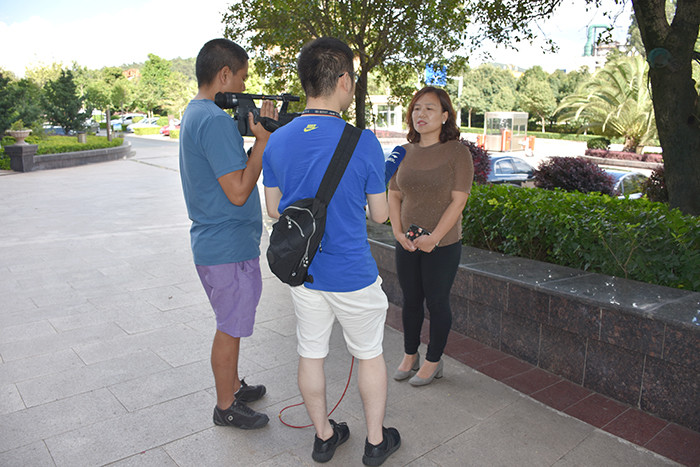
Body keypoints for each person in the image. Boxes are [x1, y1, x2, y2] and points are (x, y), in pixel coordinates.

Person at [263, 37, 401, 466]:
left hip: (304, 273)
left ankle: (324, 436)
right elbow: (380, 215)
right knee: (369, 355)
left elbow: (273, 209)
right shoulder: (363, 142)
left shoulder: (278, 140)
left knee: (311, 353)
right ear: (343, 80)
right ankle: (375, 443)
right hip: (353, 274)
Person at [178, 38, 278, 430]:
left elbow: (229, 178)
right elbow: (238, 191)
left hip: (216, 241)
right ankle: (225, 406)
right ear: (224, 75)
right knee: (229, 328)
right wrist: (262, 144)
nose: (243, 87)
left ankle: (233, 385)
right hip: (226, 244)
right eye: (242, 77)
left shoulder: (195, 113)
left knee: (231, 321)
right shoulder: (215, 121)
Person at [388, 86, 473, 387]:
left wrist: (434, 237)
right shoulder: (402, 152)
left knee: (436, 302)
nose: (420, 114)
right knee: (410, 300)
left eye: (429, 108)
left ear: (445, 116)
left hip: (443, 243)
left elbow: (459, 201)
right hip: (407, 241)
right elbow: (393, 194)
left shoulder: (458, 152)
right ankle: (410, 355)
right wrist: (397, 232)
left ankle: (434, 360)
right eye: (416, 108)